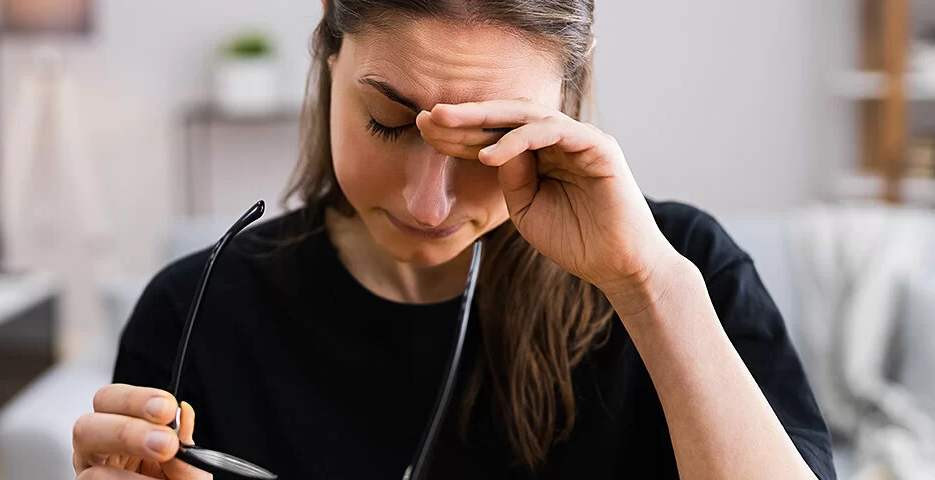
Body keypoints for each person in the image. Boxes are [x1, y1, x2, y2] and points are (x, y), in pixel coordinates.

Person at [72, 0, 834, 478]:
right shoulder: (196, 311)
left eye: (489, 140)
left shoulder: (679, 270)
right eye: (388, 122)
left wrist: (650, 291)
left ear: (566, 94)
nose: (427, 203)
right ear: (328, 52)